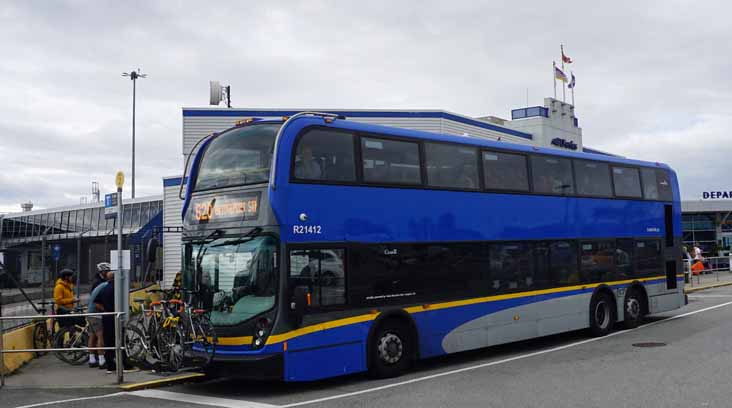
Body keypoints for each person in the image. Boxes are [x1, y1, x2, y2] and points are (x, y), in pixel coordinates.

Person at [87, 269, 110, 368]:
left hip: (90, 313)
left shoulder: (101, 285)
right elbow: (98, 302)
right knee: (100, 336)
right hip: (95, 314)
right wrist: (106, 310)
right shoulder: (105, 286)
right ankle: (101, 360)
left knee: (92, 336)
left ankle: (92, 360)